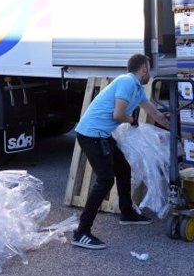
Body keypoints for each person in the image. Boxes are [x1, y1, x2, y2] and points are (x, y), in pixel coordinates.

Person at [71, 53, 170, 250]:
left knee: (123, 169)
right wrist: (132, 120)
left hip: (102, 134)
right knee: (105, 180)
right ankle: (81, 232)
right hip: (91, 134)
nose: (149, 72)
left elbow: (156, 114)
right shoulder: (126, 81)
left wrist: (173, 127)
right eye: (148, 69)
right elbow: (118, 114)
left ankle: (127, 212)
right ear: (143, 69)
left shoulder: (138, 90)